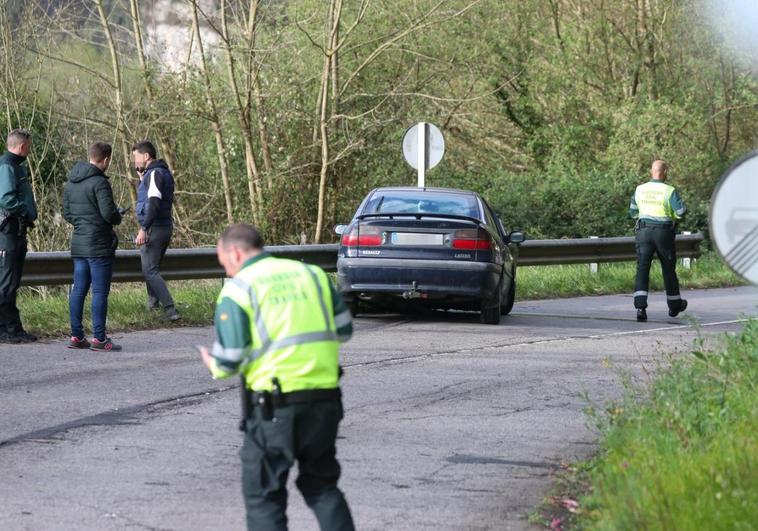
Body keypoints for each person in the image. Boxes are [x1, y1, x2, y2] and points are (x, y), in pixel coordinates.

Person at [198, 224, 355, 531]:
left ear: (236, 253)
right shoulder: (313, 276)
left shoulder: (239, 289)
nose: (227, 271)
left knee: (264, 496)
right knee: (322, 487)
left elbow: (229, 361)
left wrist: (212, 362)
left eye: (224, 263)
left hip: (273, 409)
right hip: (324, 402)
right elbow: (345, 329)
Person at [62, 142, 124, 351]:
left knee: (78, 290)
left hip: (79, 243)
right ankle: (99, 339)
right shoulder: (99, 183)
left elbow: (67, 213)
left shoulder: (71, 183)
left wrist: (83, 223)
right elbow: (108, 214)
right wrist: (118, 216)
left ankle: (76, 336)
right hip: (98, 245)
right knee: (99, 292)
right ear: (105, 160)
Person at [629, 160, 688, 322]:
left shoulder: (640, 189)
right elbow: (681, 212)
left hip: (643, 232)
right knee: (668, 269)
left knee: (642, 268)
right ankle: (674, 305)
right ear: (665, 172)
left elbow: (633, 212)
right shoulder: (669, 191)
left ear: (651, 171)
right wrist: (674, 217)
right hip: (663, 233)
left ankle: (640, 307)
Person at [131, 140, 179, 321]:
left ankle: (170, 309)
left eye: (136, 157)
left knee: (150, 270)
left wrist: (144, 228)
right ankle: (153, 306)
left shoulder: (154, 175)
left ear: (145, 156)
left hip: (155, 228)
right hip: (164, 226)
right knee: (151, 268)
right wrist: (143, 180)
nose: (135, 162)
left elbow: (153, 203)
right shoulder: (159, 173)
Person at [0, 129, 38, 344]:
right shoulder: (7, 166)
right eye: (29, 146)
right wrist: (25, 210)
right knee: (6, 283)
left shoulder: (14, 166)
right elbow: (6, 199)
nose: (30, 150)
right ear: (23, 146)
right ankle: (5, 329)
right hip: (8, 233)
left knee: (11, 282)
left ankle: (13, 328)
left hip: (15, 232)